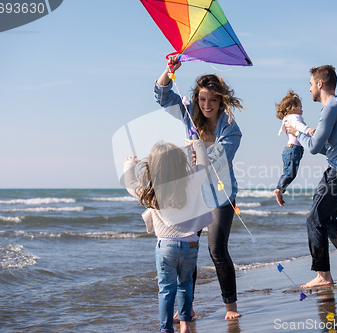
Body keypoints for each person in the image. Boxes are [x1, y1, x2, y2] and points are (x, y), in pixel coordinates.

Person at [154, 56, 243, 320]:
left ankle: (231, 308)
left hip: (220, 196)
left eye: (213, 100)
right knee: (189, 252)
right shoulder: (188, 111)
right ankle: (186, 309)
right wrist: (168, 72)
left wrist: (197, 149)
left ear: (221, 101)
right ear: (196, 98)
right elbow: (161, 95)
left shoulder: (231, 128)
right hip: (193, 195)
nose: (206, 105)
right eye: (202, 99)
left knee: (217, 250)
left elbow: (218, 157)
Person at [285, 65, 337, 288]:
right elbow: (331, 149)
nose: (310, 88)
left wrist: (297, 132)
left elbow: (312, 148)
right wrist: (308, 134)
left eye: (311, 83)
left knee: (314, 219)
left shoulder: (331, 108)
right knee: (324, 217)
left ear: (320, 84)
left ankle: (323, 276)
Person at [123, 139, 213, 333]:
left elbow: (130, 185)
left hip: (165, 247)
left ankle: (166, 329)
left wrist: (129, 164)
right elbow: (204, 165)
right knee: (185, 285)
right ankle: (185, 325)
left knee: (166, 289)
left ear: (153, 167)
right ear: (180, 163)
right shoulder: (191, 182)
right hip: (190, 245)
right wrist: (198, 144)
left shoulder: (150, 190)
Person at [274, 90, 315, 206]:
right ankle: (278, 190)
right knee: (290, 173)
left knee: (288, 173)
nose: (302, 110)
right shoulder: (294, 117)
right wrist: (308, 130)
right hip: (293, 149)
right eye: (300, 107)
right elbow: (298, 126)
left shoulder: (288, 118)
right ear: (292, 108)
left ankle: (280, 190)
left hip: (290, 150)